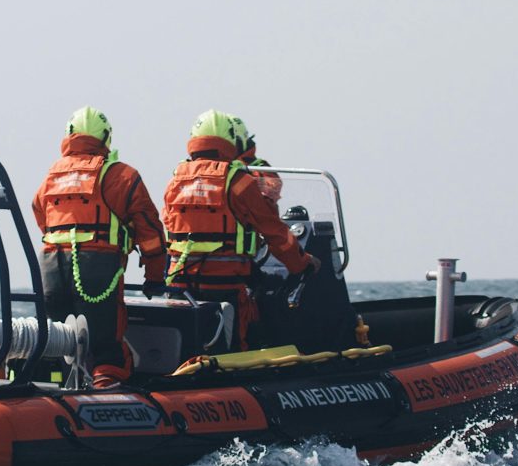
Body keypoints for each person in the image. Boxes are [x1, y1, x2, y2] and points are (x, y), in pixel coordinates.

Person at [32, 107, 166, 389]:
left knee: (59, 341)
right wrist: (155, 277)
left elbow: (40, 214)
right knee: (105, 346)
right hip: (98, 270)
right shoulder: (121, 176)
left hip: (51, 270)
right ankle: (108, 398)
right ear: (106, 138)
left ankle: (55, 390)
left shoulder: (51, 176)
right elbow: (150, 232)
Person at [162, 109, 317, 349]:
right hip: (225, 286)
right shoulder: (239, 180)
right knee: (235, 346)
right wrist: (301, 263)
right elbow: (273, 230)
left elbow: (168, 225)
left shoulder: (176, 180)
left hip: (180, 284)